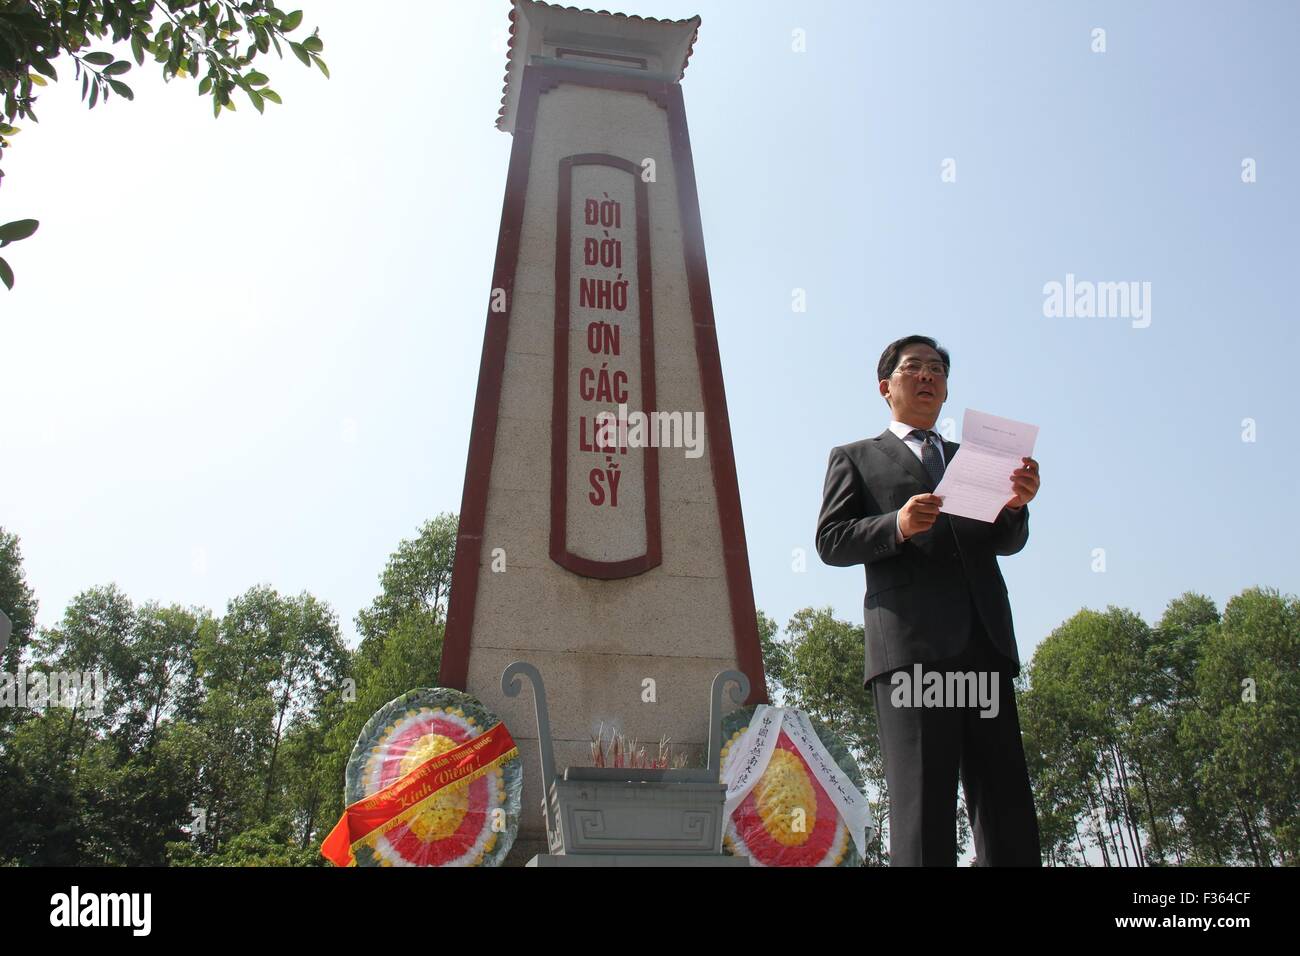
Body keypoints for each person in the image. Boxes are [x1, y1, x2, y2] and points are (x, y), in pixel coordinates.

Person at [815, 334, 1042, 866]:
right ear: (885, 386)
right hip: (912, 655)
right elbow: (830, 541)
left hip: (984, 645)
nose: (927, 376)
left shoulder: (974, 459)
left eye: (937, 369)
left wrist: (1015, 505)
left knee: (1006, 803)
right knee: (922, 806)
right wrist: (896, 524)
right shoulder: (856, 457)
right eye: (914, 367)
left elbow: (1004, 542)